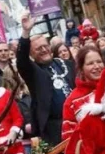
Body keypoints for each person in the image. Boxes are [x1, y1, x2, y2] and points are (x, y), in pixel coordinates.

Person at [16, 12, 76, 146]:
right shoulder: (33, 72)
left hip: (79, 118)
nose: (43, 50)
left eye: (45, 46)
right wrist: (26, 32)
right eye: (38, 49)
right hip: (55, 128)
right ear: (31, 54)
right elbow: (21, 60)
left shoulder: (66, 64)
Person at [62, 46, 105, 141]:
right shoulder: (72, 101)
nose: (97, 66)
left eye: (99, 61)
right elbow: (69, 139)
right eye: (90, 63)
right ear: (81, 68)